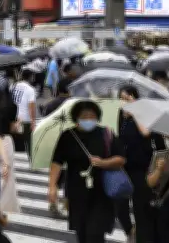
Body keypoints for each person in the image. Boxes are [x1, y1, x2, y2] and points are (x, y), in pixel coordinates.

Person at [48, 100, 126, 243]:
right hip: (76, 192)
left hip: (102, 192)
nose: (88, 119)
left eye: (92, 116)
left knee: (95, 234)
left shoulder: (106, 134)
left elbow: (121, 159)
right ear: (76, 117)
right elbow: (57, 161)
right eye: (84, 116)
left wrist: (103, 163)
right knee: (82, 233)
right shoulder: (68, 136)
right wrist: (52, 186)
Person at [115, 86, 165, 243]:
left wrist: (135, 112)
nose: (124, 102)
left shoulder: (144, 113)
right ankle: (130, 230)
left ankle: (142, 237)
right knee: (120, 204)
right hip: (124, 166)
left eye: (127, 98)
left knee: (140, 207)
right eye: (121, 98)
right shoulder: (121, 115)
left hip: (142, 167)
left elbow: (146, 133)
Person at [12, 68, 37, 159]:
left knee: (13, 141)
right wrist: (33, 121)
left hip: (14, 118)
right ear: (30, 77)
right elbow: (31, 107)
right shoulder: (30, 89)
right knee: (29, 142)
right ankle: (32, 159)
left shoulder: (14, 86)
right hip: (25, 120)